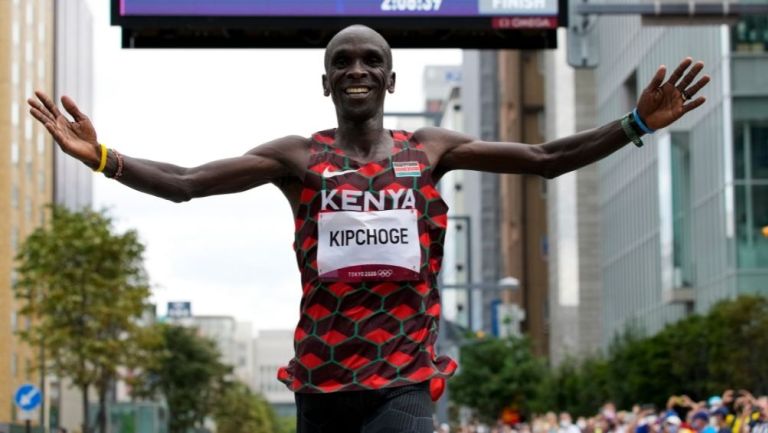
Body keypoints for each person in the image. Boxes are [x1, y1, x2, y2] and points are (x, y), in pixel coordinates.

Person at [28, 24, 710, 433]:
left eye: (370, 61)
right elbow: (183, 182)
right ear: (325, 83)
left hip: (403, 382)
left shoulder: (431, 151)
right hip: (320, 382)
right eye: (343, 63)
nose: (357, 68)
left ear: (390, 77)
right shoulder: (296, 157)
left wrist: (637, 124)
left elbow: (544, 159)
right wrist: (104, 157)